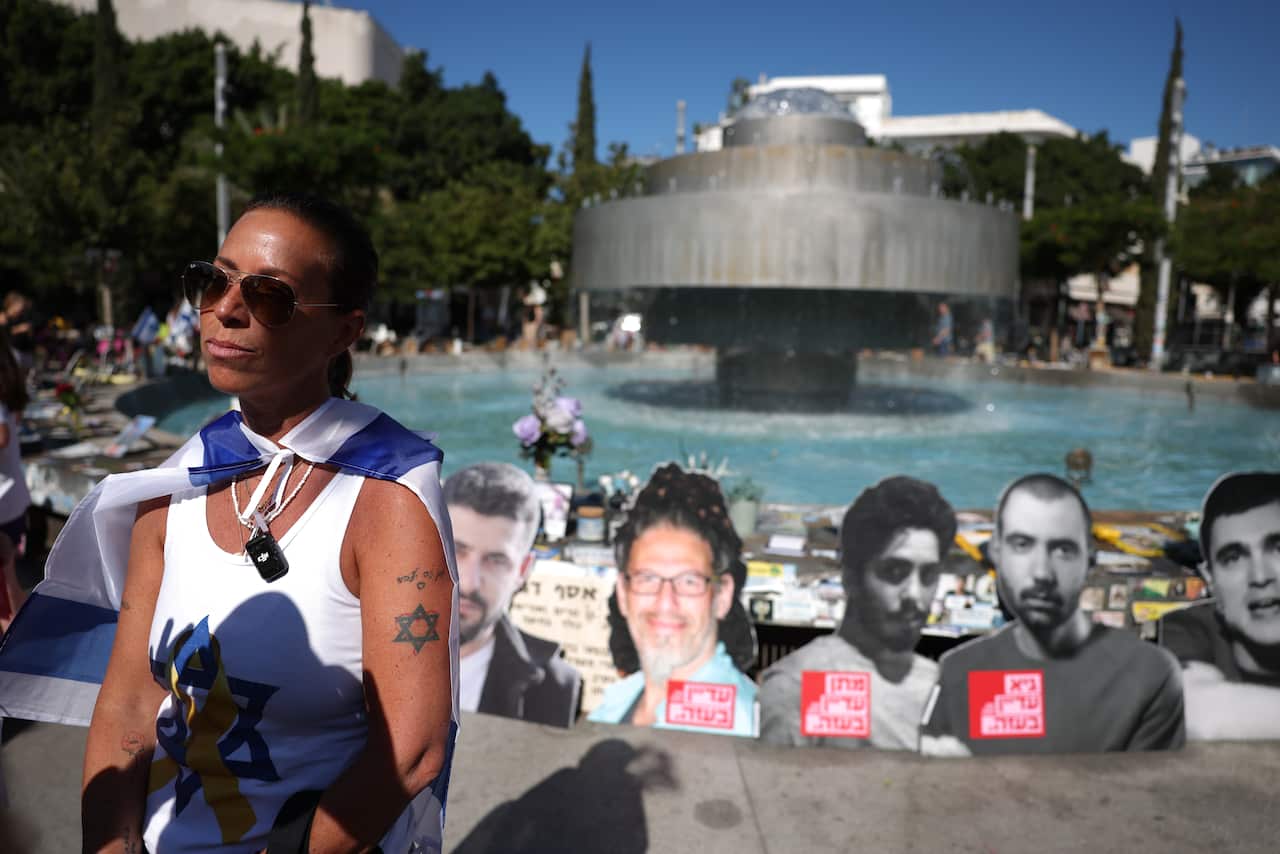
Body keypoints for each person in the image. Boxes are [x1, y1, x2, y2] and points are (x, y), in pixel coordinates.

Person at [0, 193, 459, 853]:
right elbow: (130, 702)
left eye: (270, 295)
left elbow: (411, 751)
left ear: (343, 332)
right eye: (213, 281)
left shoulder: (384, 501)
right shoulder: (177, 488)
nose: (226, 308)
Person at [921, 474, 1184, 755]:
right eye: (1022, 544)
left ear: (1090, 559)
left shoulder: (1150, 676)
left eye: (1063, 549)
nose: (1042, 573)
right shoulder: (957, 672)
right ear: (996, 552)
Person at [759, 476, 955, 750]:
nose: (914, 594)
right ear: (851, 577)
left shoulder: (943, 689)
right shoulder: (799, 686)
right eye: (895, 572)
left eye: (928, 575)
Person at [589, 464, 757, 737]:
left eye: (689, 581)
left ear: (722, 596)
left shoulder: (732, 729)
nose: (665, 603)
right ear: (623, 593)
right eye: (648, 579)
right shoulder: (619, 701)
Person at [444, 462, 581, 727]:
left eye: (495, 560)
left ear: (522, 570)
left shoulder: (552, 689)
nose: (469, 583)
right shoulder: (356, 651)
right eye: (455, 550)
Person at [1159, 472, 1280, 740]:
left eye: (1278, 547)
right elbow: (1199, 712)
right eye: (1233, 557)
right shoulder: (1187, 629)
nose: (1260, 576)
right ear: (1211, 580)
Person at [0, 326, 31, 564]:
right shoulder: (7, 380)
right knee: (9, 582)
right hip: (12, 497)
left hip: (4, 501)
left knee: (7, 584)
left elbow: (2, 437)